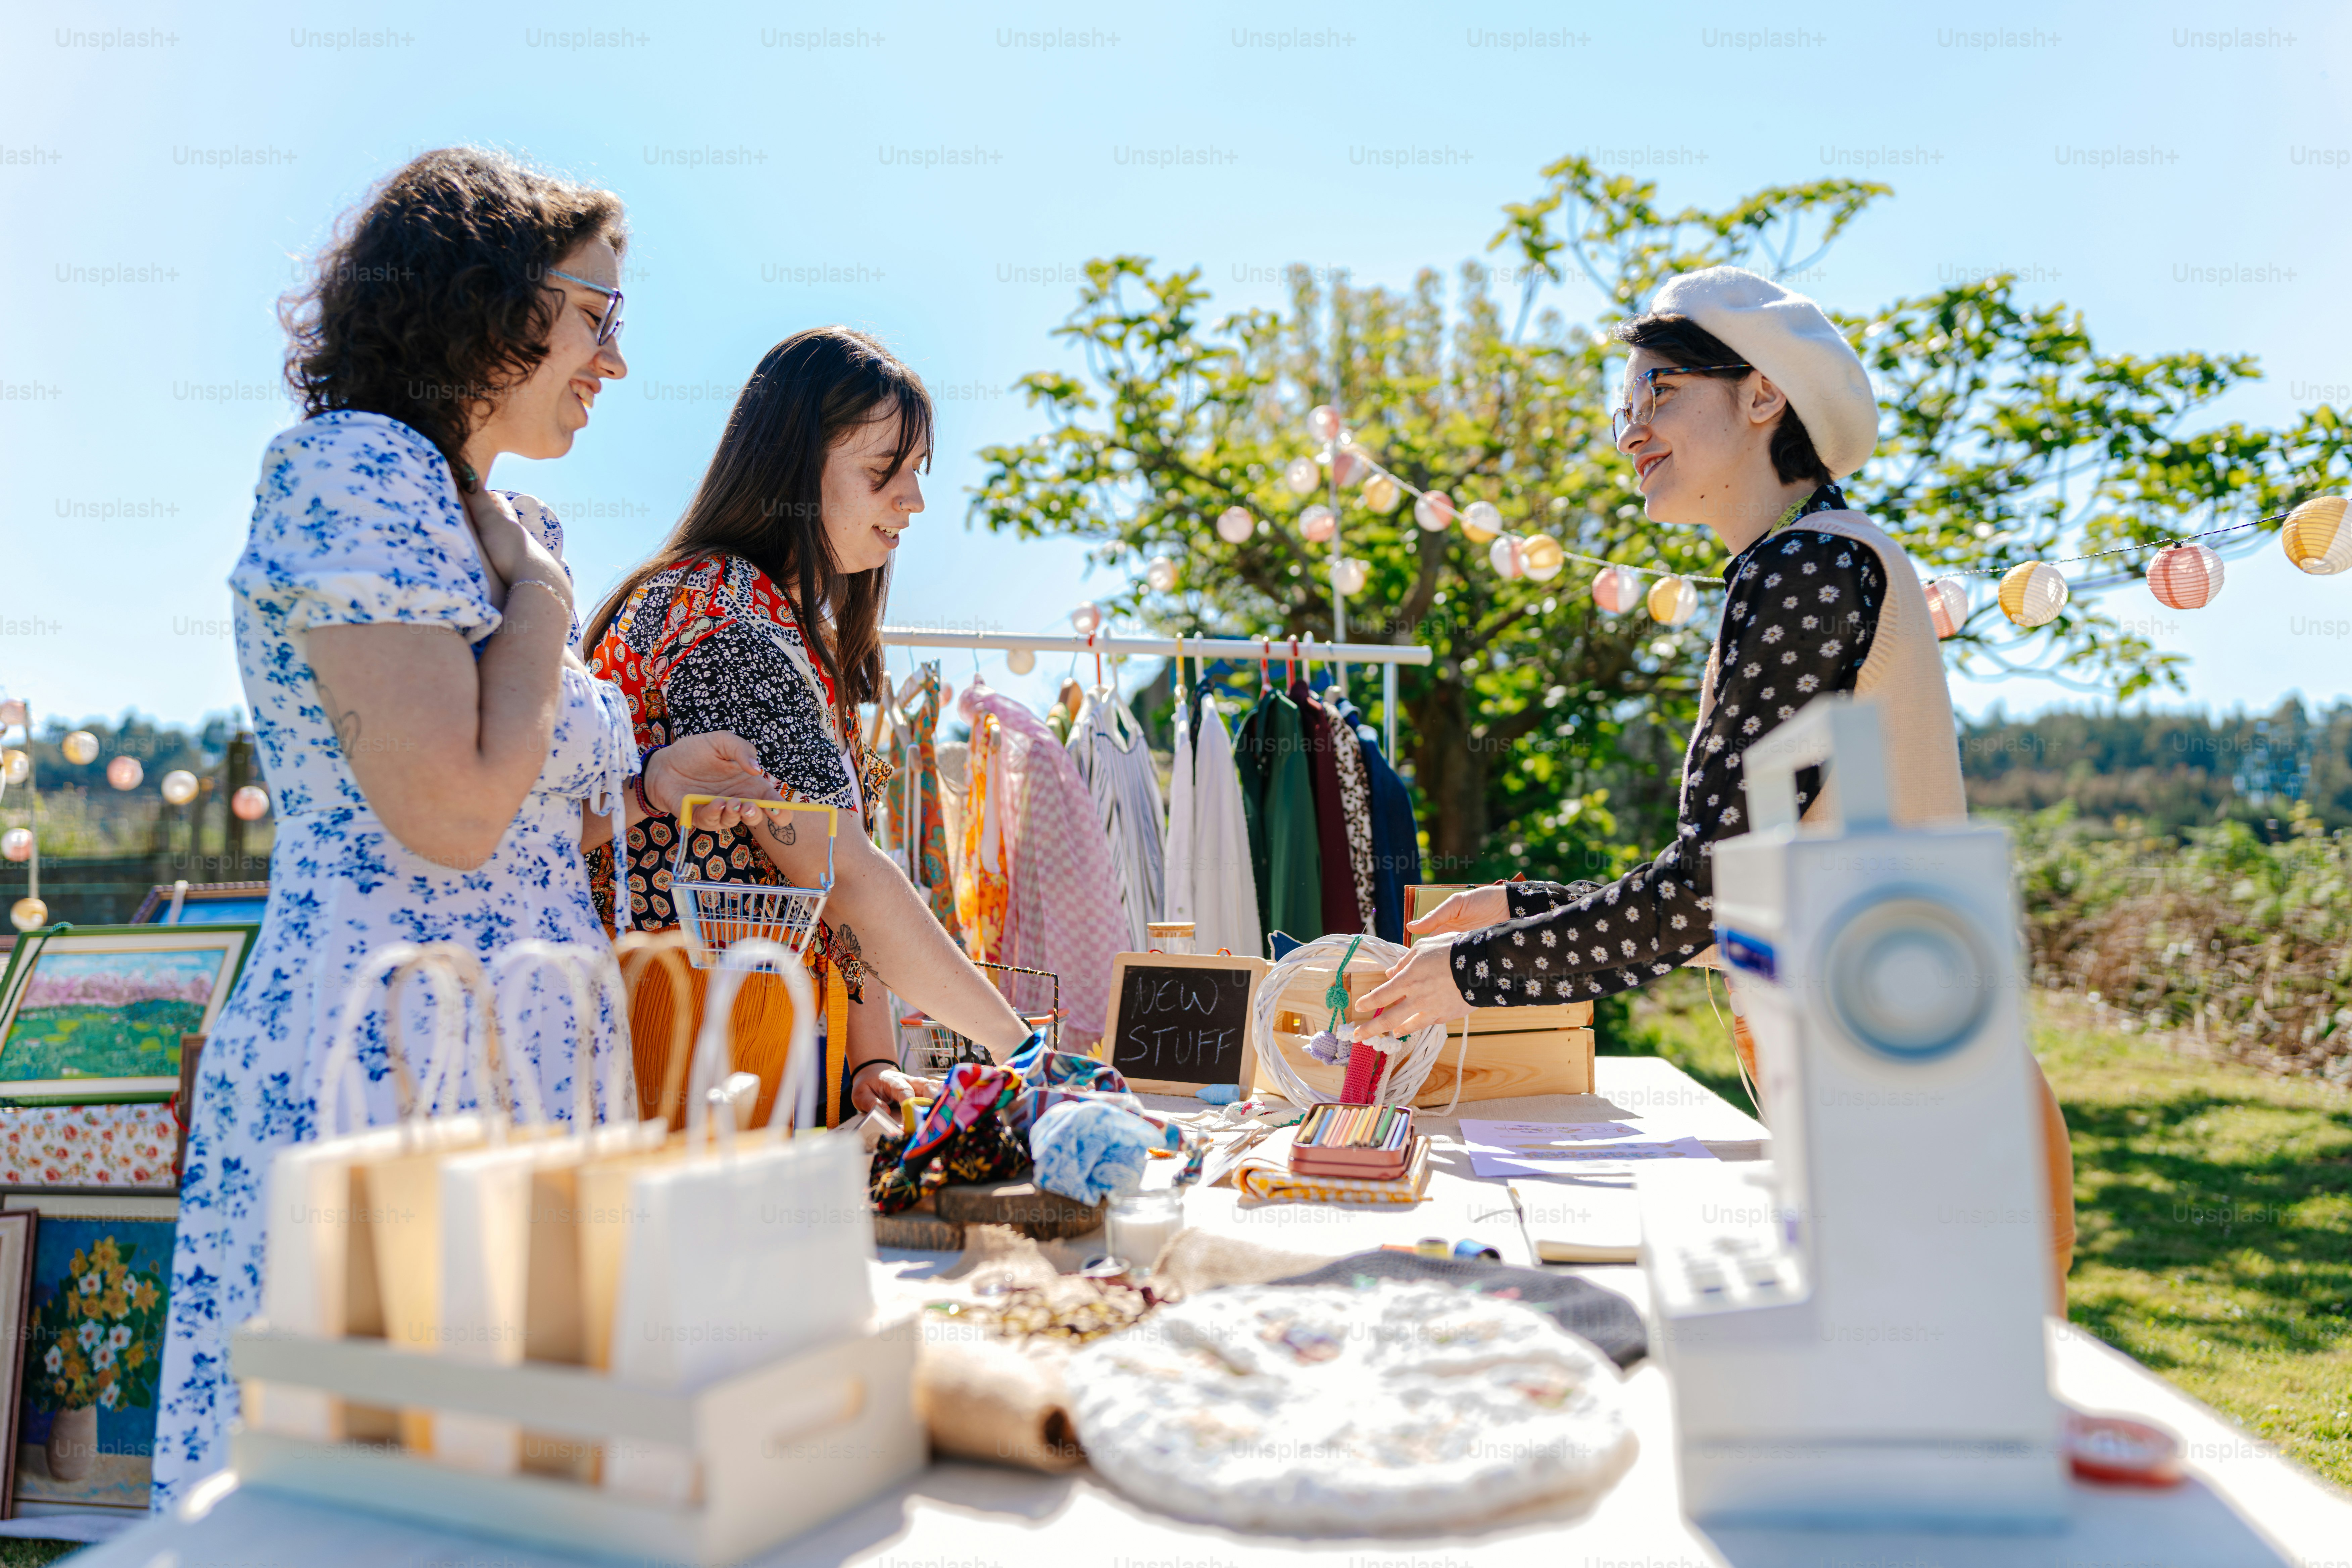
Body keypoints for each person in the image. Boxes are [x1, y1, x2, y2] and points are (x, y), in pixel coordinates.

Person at [154, 148, 772, 1508]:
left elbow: (520, 805)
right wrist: (549, 598)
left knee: (511, 1497)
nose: (614, 357)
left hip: (519, 1051)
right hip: (392, 1060)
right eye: (597, 315)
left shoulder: (492, 512)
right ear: (488, 298)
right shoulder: (357, 471)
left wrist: (649, 784)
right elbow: (447, 810)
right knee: (384, 1501)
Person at [1361, 265, 2076, 1309]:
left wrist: (1473, 970)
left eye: (1660, 392)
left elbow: (1713, 895)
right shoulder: (1811, 562)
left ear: (1761, 395)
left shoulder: (1806, 570)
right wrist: (1513, 909)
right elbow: (1749, 896)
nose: (1629, 430)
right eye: (1626, 403)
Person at [582, 327, 1033, 1122]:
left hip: (725, 1040)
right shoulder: (731, 627)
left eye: (917, 473)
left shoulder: (753, 612)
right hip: (697, 1048)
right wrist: (1019, 1046)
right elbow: (842, 874)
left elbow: (822, 881)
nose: (914, 500)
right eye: (882, 472)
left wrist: (874, 1057)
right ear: (792, 466)